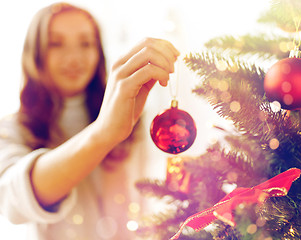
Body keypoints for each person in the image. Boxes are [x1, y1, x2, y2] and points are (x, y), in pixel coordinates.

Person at [0, 2, 179, 239]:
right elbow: (15, 200)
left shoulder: (132, 113)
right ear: (35, 53)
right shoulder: (12, 130)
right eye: (56, 44)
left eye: (85, 43)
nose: (74, 58)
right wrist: (104, 133)